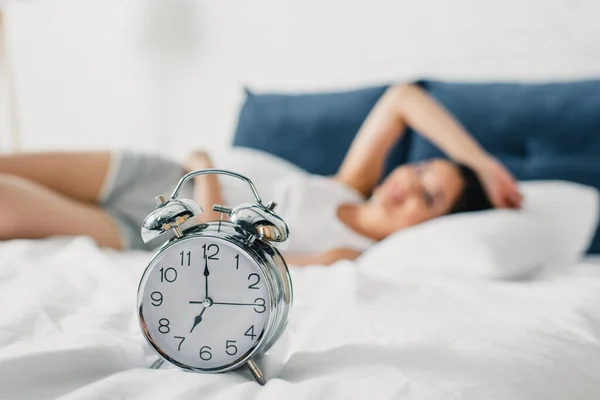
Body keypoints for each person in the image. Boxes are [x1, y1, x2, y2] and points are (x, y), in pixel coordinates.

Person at [0, 84, 521, 265]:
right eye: (423, 168)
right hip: (158, 174)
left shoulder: (345, 253)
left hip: (160, 232)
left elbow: (223, 249)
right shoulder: (351, 184)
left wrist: (205, 172)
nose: (408, 183)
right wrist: (478, 163)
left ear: (427, 230)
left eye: (426, 200)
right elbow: (403, 97)